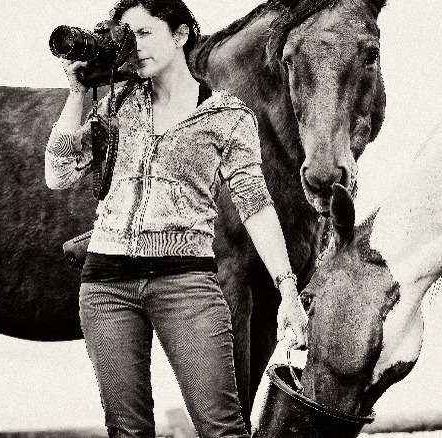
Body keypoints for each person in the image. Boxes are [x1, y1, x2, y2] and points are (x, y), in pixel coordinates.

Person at [44, 1, 308, 437]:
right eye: (129, 37)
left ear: (181, 34)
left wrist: (288, 292)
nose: (136, 47)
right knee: (128, 431)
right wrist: (77, 94)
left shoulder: (227, 115)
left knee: (222, 428)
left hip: (186, 283)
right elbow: (58, 174)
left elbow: (255, 205)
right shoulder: (116, 106)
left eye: (146, 33)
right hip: (106, 284)